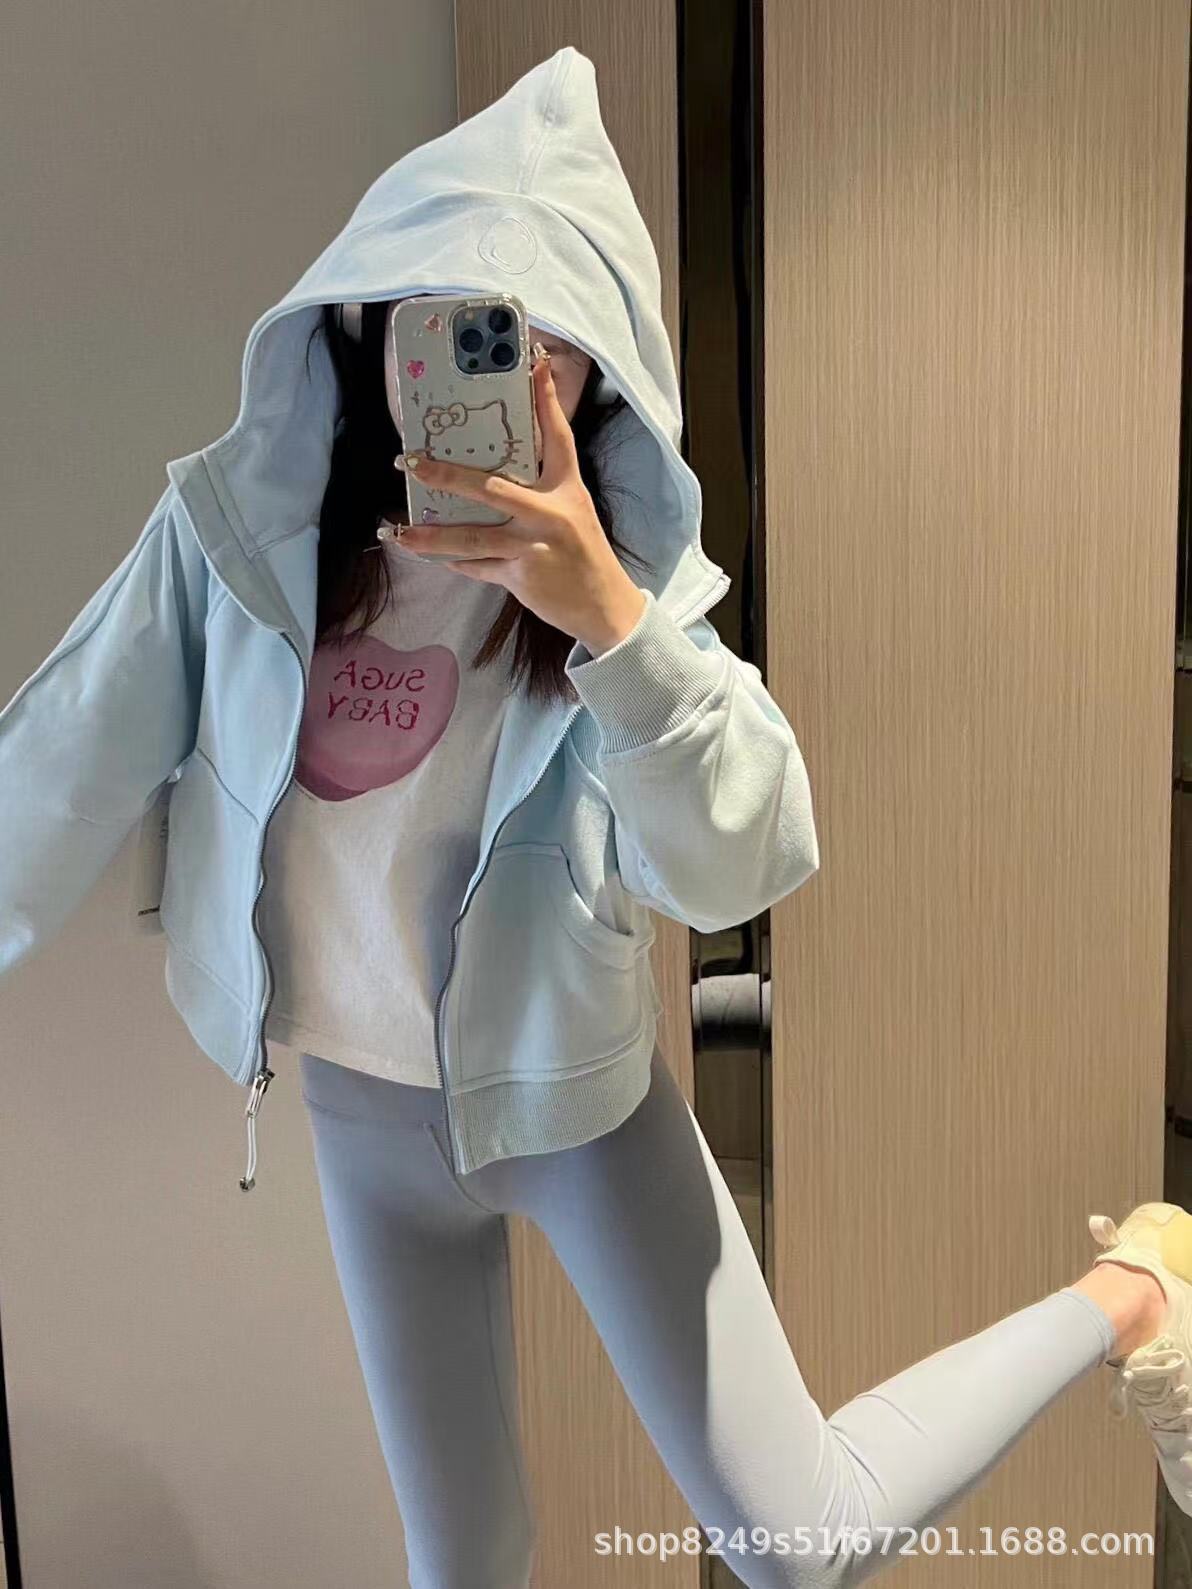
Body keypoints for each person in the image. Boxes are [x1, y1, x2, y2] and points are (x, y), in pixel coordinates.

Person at [1, 42, 1188, 1589]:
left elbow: (744, 858)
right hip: (362, 1113)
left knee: (798, 1542)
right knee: (464, 1555)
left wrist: (612, 623)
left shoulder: (625, 595)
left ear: (600, 370)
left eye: (545, 341)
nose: (507, 376)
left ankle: (1136, 1289)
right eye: (460, 325)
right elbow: (54, 765)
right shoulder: (237, 545)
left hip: (576, 1110)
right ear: (368, 321)